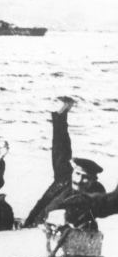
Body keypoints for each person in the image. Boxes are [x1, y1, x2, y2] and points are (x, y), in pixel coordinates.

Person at [24, 97, 106, 229]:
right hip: (33, 226)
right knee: (60, 152)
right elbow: (60, 149)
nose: (79, 180)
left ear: (93, 181)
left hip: (55, 235)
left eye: (85, 178)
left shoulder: (94, 194)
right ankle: (61, 114)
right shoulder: (66, 178)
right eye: (78, 174)